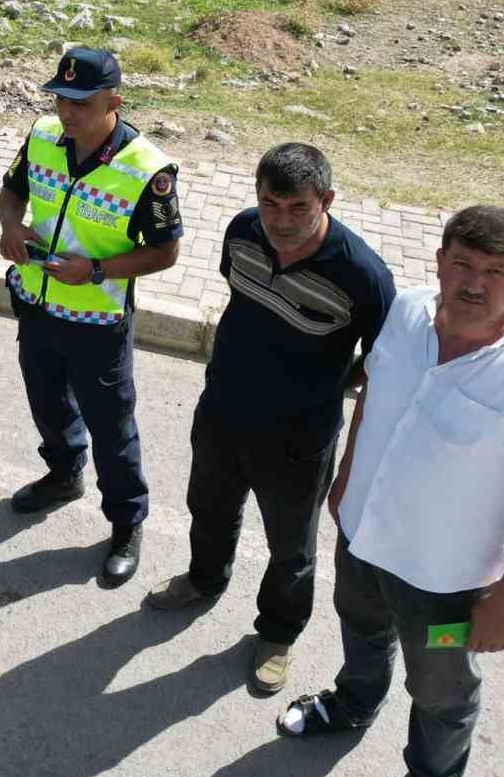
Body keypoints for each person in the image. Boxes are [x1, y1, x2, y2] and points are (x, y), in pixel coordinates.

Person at [277, 205, 504, 777]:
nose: (474, 283)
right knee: (362, 630)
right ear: (440, 261)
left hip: (446, 581)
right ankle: (352, 703)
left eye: (496, 271)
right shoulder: (405, 313)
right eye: (462, 263)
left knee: (442, 693)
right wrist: (346, 479)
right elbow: (372, 394)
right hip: (362, 536)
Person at [145, 143, 396, 696]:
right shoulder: (243, 232)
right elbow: (241, 295)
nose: (280, 221)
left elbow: (383, 366)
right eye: (269, 204)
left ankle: (278, 632)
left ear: (326, 200)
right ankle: (203, 580)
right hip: (221, 412)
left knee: (291, 549)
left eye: (298, 208)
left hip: (297, 439)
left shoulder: (363, 274)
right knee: (208, 509)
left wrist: (337, 384)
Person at [0, 46, 181, 585]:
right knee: (47, 401)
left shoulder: (148, 170)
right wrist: (11, 227)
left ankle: (126, 523)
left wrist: (97, 270)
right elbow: (10, 196)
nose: (66, 112)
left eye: (80, 102)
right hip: (37, 305)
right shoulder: (42, 138)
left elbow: (166, 252)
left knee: (112, 426)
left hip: (98, 323)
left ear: (114, 102)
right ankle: (63, 473)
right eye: (59, 98)